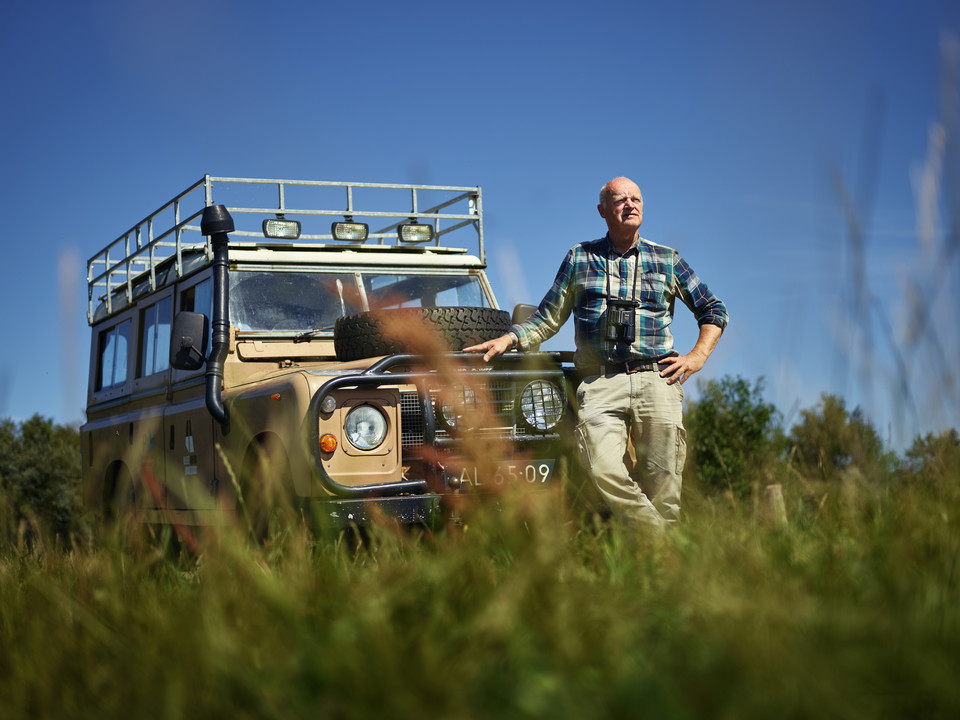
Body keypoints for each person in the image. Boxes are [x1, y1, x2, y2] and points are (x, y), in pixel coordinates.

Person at [465, 177, 728, 532]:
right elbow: (547, 318)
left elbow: (713, 309)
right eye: (620, 200)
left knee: (664, 480)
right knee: (601, 466)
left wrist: (698, 356)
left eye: (636, 199)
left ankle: (662, 571)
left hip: (656, 377)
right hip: (600, 380)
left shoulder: (667, 258)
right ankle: (664, 538)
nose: (630, 205)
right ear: (603, 211)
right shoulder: (580, 258)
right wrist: (509, 339)